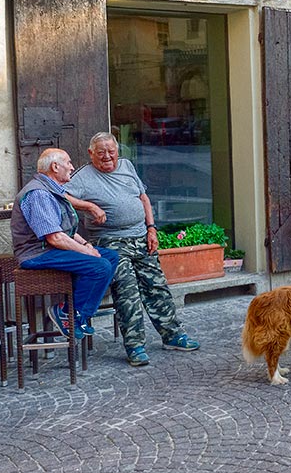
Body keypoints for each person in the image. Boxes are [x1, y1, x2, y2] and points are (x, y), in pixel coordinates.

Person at [64, 133, 201, 367]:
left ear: (118, 151)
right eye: (101, 153)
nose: (107, 156)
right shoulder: (82, 177)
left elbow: (144, 198)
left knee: (157, 287)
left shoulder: (126, 166)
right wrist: (89, 206)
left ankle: (173, 335)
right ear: (91, 154)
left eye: (111, 151)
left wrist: (151, 228)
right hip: (111, 241)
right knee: (127, 294)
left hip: (141, 236)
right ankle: (135, 346)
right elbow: (61, 195)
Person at [11, 148, 119, 339]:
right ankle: (68, 312)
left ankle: (77, 314)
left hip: (50, 249)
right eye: (68, 163)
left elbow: (65, 230)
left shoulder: (52, 190)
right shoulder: (39, 194)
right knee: (100, 265)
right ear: (55, 167)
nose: (72, 167)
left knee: (110, 256)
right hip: (36, 254)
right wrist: (87, 253)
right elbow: (55, 237)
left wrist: (86, 245)